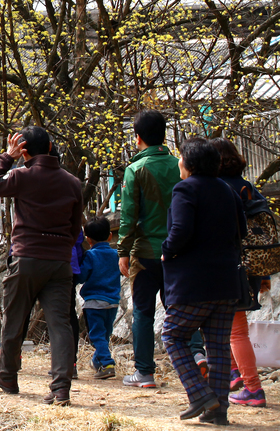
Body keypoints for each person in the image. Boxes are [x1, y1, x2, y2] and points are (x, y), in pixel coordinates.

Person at [0, 125, 83, 406]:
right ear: (50, 147)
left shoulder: (22, 176)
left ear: (23, 151)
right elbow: (76, 228)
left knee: (14, 318)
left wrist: (7, 157)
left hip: (26, 258)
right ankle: (61, 387)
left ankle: (8, 376)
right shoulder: (73, 183)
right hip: (60, 263)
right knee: (60, 324)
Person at [161, 138, 247, 424]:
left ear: (191, 163)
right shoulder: (227, 190)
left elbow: (181, 230)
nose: (179, 162)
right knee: (218, 345)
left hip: (193, 282)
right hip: (226, 281)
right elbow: (242, 230)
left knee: (173, 335)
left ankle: (199, 394)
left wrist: (167, 251)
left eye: (181, 157)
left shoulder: (185, 188)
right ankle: (218, 410)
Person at [118, 109, 194, 388]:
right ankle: (196, 356)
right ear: (164, 134)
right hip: (178, 252)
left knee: (143, 311)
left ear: (137, 137)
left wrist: (123, 252)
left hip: (146, 251)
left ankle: (145, 372)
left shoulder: (135, 169)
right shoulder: (180, 166)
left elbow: (128, 215)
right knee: (181, 307)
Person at [209, 137, 269, 409]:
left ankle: (253, 389)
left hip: (228, 266)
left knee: (235, 331)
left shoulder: (217, 189)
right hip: (252, 266)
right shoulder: (248, 188)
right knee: (229, 327)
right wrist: (264, 272)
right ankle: (234, 376)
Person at [79, 216, 121, 379]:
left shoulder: (90, 256)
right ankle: (97, 361)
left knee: (96, 336)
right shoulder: (116, 255)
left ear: (88, 239)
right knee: (104, 336)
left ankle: (107, 363)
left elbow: (82, 276)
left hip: (94, 303)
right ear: (110, 236)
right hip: (113, 302)